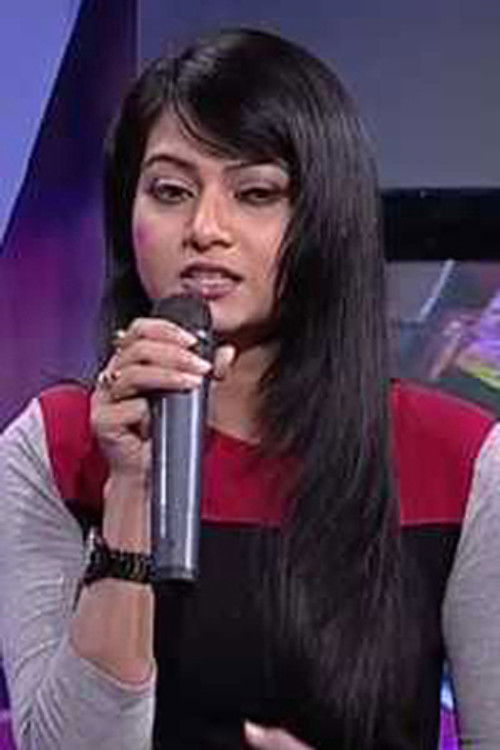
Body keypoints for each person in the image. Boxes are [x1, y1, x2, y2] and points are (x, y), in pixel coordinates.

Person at [1, 27, 499, 750]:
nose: (205, 228)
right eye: (171, 191)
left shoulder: (458, 460)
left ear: (324, 220)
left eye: (256, 193)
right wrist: (130, 494)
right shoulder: (53, 448)